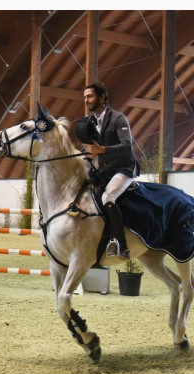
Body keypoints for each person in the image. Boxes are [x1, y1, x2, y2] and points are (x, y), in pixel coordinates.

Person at [74, 81, 138, 259]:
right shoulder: (89, 122)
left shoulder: (118, 119)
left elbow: (126, 146)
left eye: (90, 96)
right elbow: (90, 148)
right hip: (105, 169)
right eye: (85, 97)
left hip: (124, 168)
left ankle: (121, 244)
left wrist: (101, 150)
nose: (86, 100)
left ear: (102, 97)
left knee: (107, 197)